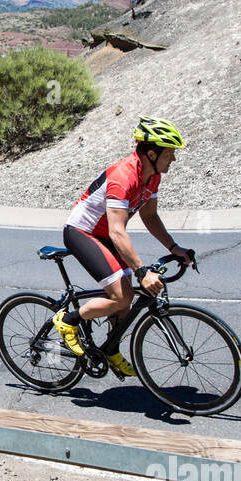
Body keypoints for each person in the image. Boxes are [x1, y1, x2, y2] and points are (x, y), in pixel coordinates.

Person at [53, 117, 193, 378]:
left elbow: (150, 217)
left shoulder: (152, 177)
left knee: (125, 298)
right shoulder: (123, 176)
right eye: (170, 153)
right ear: (152, 153)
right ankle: (68, 320)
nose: (173, 159)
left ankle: (111, 349)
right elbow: (118, 230)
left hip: (107, 235)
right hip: (82, 232)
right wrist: (141, 271)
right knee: (122, 295)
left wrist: (175, 248)